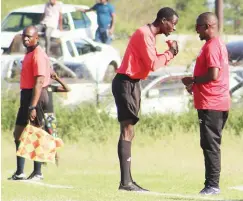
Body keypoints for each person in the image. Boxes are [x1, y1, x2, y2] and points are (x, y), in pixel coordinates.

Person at [112, 7, 179, 192]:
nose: (173, 28)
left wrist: (167, 53)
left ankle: (127, 181)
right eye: (173, 23)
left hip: (132, 83)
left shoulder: (149, 35)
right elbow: (153, 64)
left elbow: (150, 62)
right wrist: (171, 53)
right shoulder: (144, 33)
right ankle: (125, 183)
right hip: (125, 82)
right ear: (163, 20)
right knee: (127, 130)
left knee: (129, 131)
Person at [181, 12, 230, 195]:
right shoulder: (213, 45)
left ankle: (212, 185)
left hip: (212, 104)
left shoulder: (212, 46)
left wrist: (194, 81)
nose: (196, 30)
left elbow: (213, 75)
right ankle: (211, 184)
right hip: (213, 102)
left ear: (209, 26)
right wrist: (194, 84)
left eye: (199, 26)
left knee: (210, 145)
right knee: (209, 143)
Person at [8, 25, 51, 181]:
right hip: (26, 95)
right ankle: (20, 172)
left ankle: (38, 172)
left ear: (36, 38)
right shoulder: (29, 53)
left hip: (35, 96)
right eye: (24, 36)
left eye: (29, 36)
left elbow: (39, 82)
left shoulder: (38, 55)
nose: (26, 39)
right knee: (18, 133)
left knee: (35, 133)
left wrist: (32, 105)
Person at [44, 70, 71, 166]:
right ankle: (43, 162)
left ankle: (56, 159)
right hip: (39, 114)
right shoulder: (37, 87)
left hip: (50, 115)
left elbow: (67, 89)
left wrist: (57, 79)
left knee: (53, 137)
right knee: (41, 138)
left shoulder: (50, 87)